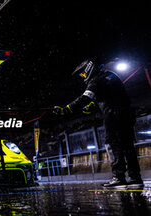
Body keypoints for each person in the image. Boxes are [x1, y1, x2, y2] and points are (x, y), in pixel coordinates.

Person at [53, 59, 143, 189]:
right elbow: (110, 94)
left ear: (89, 69)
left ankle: (118, 177)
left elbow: (85, 97)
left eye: (83, 74)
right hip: (127, 113)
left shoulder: (96, 80)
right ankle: (135, 177)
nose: (83, 77)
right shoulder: (110, 75)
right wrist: (93, 105)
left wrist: (66, 109)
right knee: (127, 145)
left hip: (113, 115)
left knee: (112, 144)